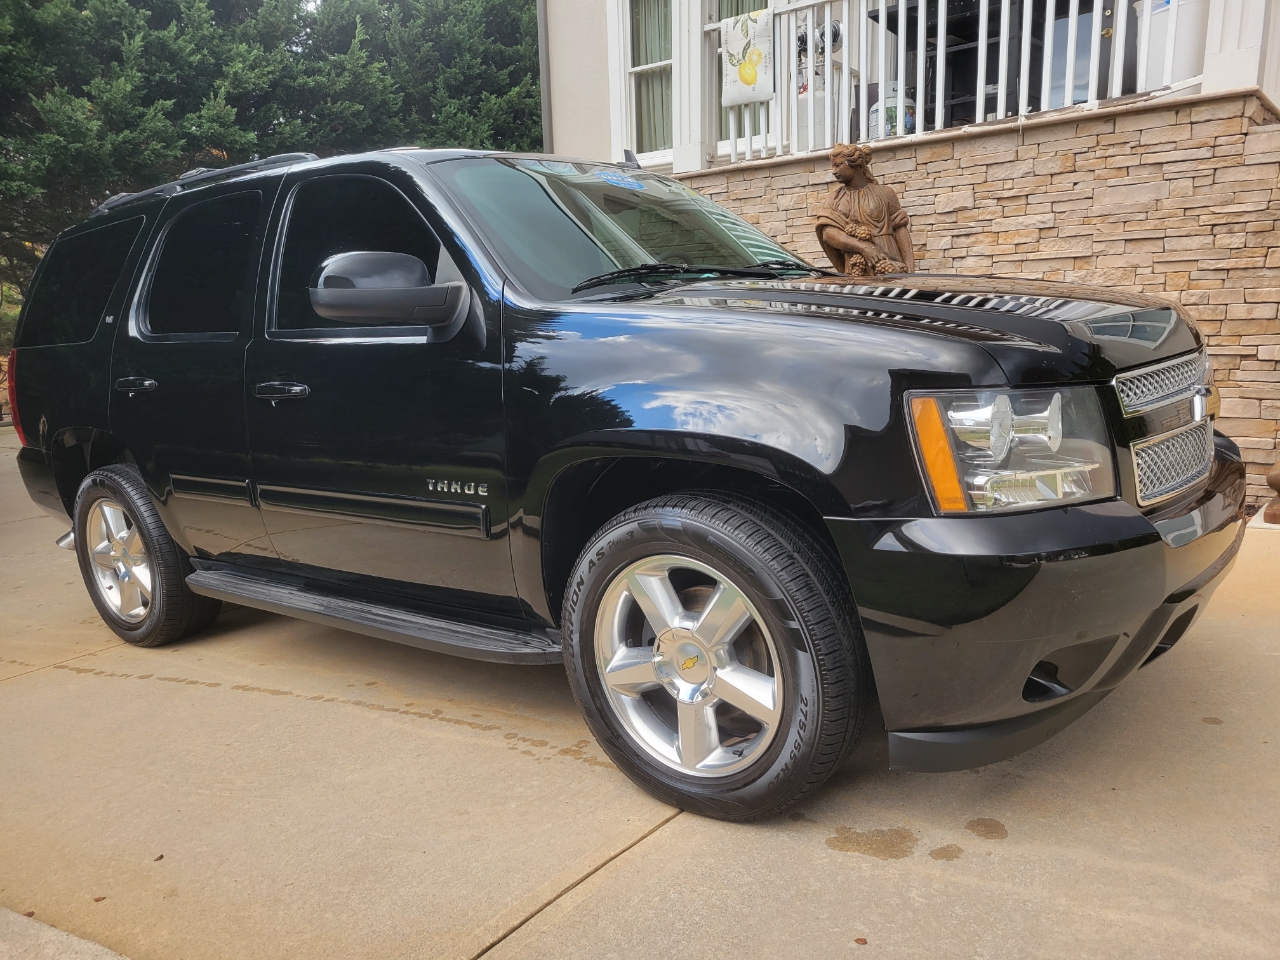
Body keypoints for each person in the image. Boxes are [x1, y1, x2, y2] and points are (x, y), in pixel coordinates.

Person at [815, 143, 915, 276]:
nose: (834, 171)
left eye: (838, 165)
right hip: (856, 270)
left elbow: (900, 231)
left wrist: (911, 271)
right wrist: (864, 247)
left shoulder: (885, 193)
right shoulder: (834, 199)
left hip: (891, 267)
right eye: (833, 166)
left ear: (856, 164)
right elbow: (828, 234)